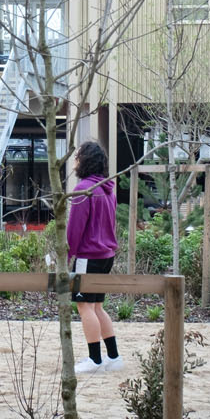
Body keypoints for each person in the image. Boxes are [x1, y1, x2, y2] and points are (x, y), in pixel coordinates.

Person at [66, 139, 122, 376]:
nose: (75, 160)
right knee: (97, 306)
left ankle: (95, 359)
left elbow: (74, 229)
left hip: (88, 256)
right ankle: (113, 357)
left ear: (84, 160)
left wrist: (67, 255)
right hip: (106, 255)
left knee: (85, 307)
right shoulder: (108, 190)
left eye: (77, 156)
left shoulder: (84, 190)